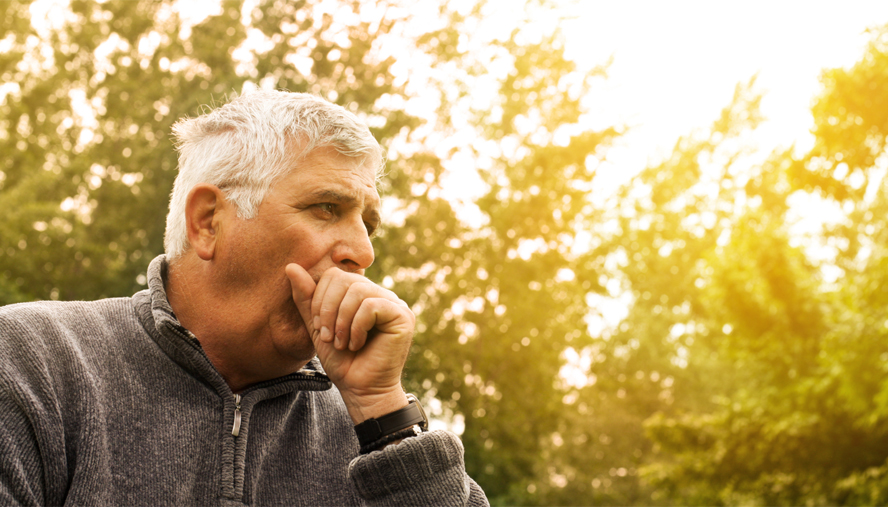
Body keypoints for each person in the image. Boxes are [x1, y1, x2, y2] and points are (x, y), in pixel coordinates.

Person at [0, 90, 489, 506]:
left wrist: (385, 417)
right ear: (208, 221)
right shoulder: (32, 361)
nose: (363, 251)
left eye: (368, 224)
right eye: (327, 208)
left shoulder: (369, 428)